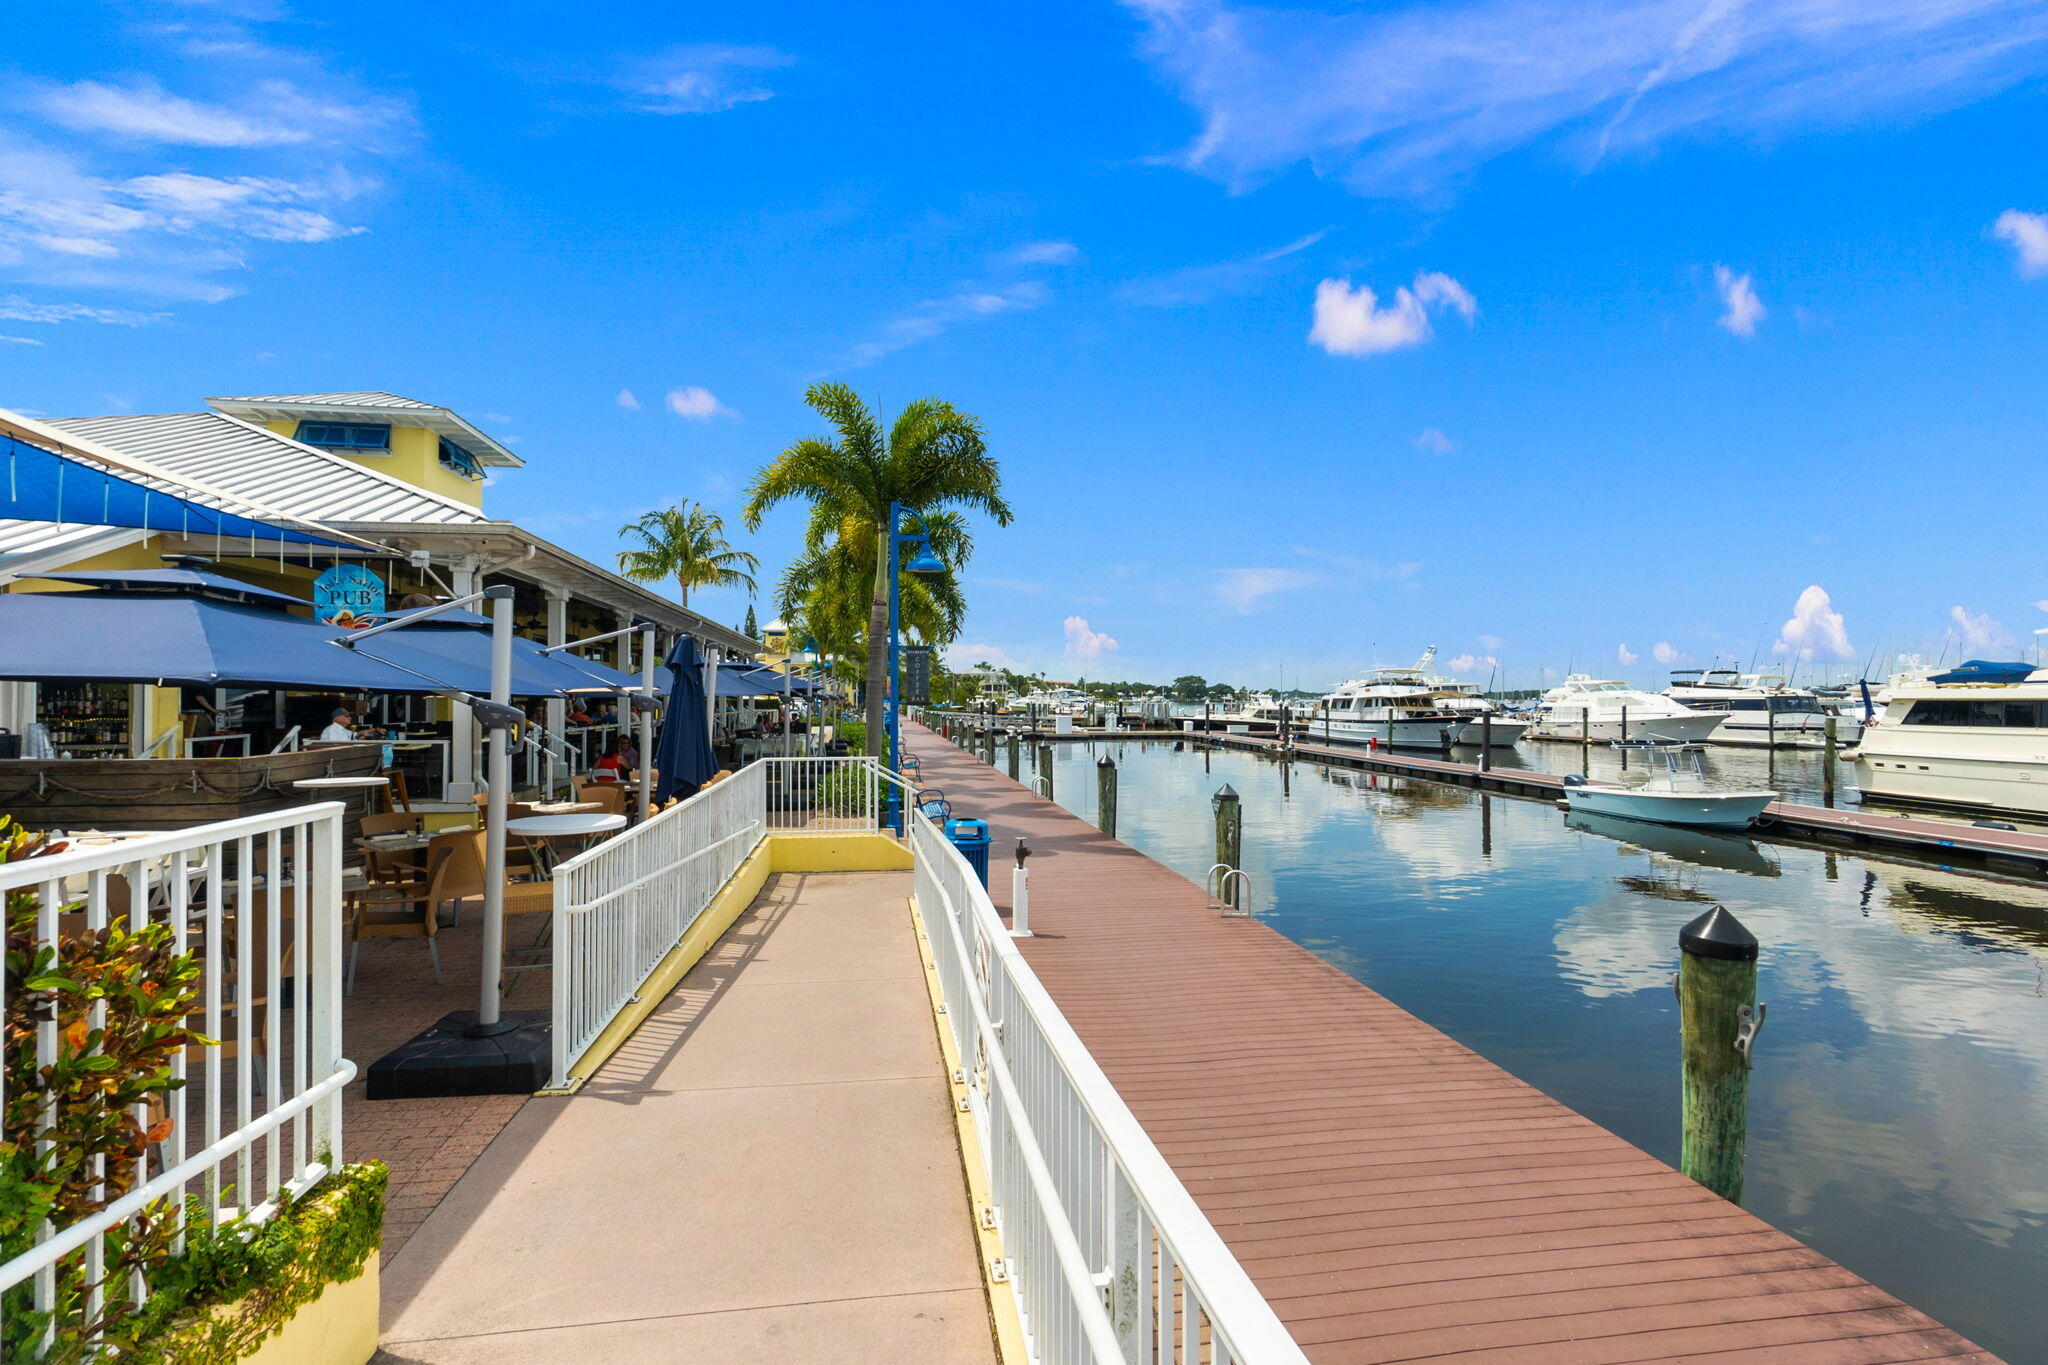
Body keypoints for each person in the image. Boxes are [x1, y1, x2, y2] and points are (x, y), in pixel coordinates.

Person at [318, 707, 383, 743]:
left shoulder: (342, 729)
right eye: (347, 716)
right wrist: (357, 741)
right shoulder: (333, 730)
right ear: (337, 718)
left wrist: (374, 729)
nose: (350, 718)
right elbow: (336, 747)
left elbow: (356, 734)